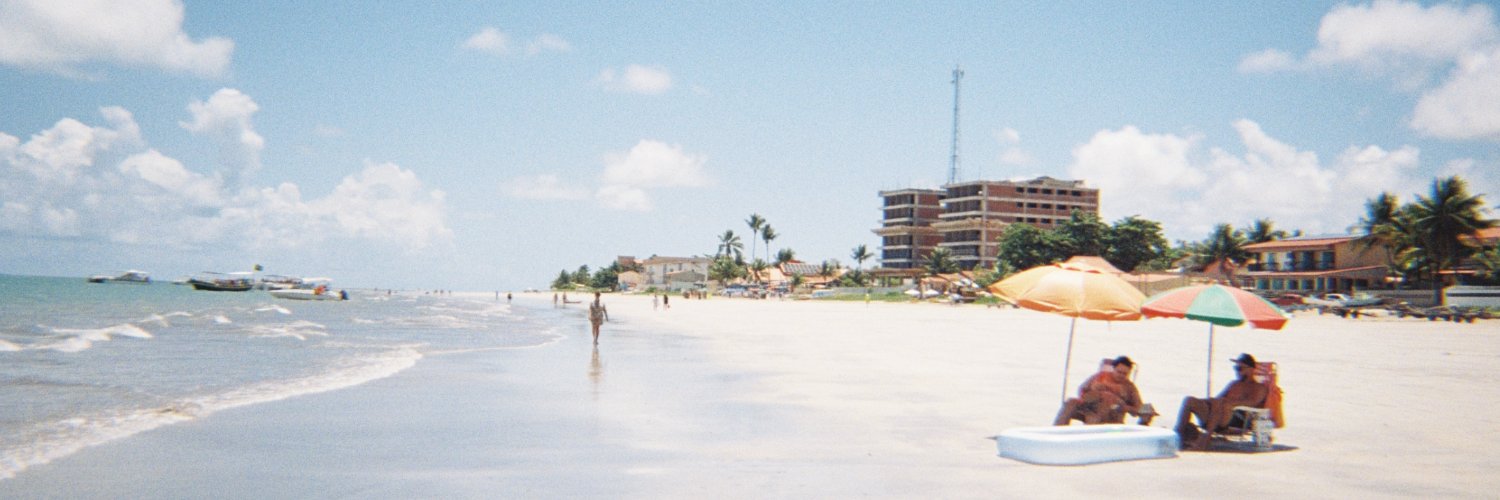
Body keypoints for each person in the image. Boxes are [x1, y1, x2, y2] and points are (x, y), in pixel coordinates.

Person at [1175, 353, 1269, 451]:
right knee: (1189, 400)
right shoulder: (1233, 384)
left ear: (1251, 369)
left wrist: (1230, 403)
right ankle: (1177, 436)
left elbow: (1253, 403)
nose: (1237, 372)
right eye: (1235, 368)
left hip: (1236, 419)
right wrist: (1207, 401)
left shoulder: (1259, 387)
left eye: (1240, 368)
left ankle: (1204, 440)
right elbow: (1218, 399)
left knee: (1220, 402)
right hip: (1218, 414)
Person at [1053, 356, 1151, 425]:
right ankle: (1057, 431)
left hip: (1111, 415)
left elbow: (1138, 408)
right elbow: (1082, 390)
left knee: (1103, 406)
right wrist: (1093, 392)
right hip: (1090, 407)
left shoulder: (1129, 387)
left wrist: (1123, 407)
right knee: (1070, 402)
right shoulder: (1100, 376)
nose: (1121, 375)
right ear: (1113, 369)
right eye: (1119, 372)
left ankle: (1091, 440)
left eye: (1125, 374)